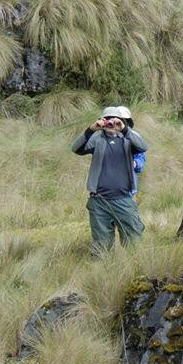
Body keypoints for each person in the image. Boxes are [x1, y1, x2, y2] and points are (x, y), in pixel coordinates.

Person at [71, 106, 149, 254]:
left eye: (116, 120)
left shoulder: (128, 139)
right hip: (99, 200)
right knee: (101, 247)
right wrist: (91, 129)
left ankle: (136, 273)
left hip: (124, 199)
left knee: (134, 241)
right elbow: (75, 148)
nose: (111, 123)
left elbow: (143, 147)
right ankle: (101, 274)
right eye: (108, 120)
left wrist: (124, 130)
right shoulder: (96, 139)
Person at [115, 106, 145, 197]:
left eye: (124, 120)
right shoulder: (104, 136)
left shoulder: (134, 137)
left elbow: (140, 161)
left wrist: (134, 163)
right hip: (106, 187)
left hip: (128, 186)